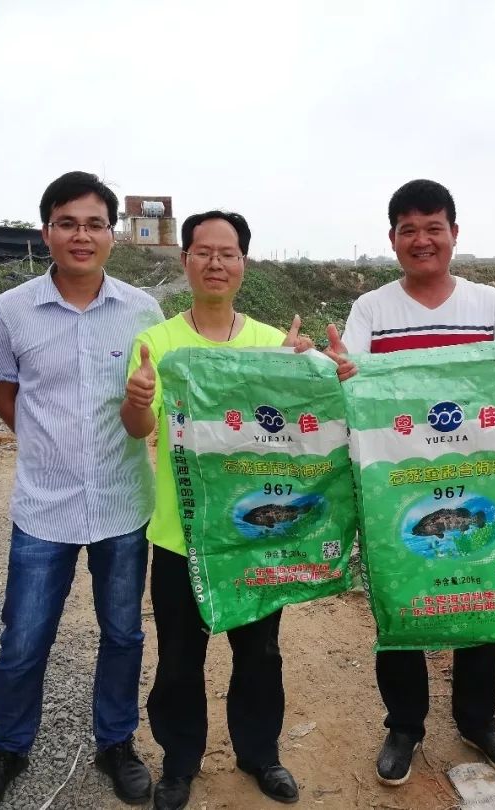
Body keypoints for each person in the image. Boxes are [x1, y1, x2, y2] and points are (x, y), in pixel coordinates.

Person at [325, 178, 495, 786]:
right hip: (397, 482)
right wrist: (336, 369)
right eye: (408, 230)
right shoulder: (372, 309)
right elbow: (347, 378)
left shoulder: (487, 304)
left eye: (433, 227)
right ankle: (404, 724)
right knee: (399, 592)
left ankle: (477, 719)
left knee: (479, 583)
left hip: (476, 475)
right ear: (392, 239)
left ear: (454, 234)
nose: (422, 240)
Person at [0, 172, 163, 810]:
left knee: (123, 633)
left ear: (113, 234)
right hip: (43, 508)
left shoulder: (143, 311)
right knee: (24, 639)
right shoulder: (11, 310)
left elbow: (155, 402)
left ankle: (116, 743)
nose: (82, 235)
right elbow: (3, 391)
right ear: (46, 231)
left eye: (95, 224)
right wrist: (46, 443)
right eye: (68, 223)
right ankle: (8, 749)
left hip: (122, 505)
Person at [121, 210, 312, 810]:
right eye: (203, 252)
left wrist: (308, 371)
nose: (215, 263)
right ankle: (180, 764)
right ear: (186, 261)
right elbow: (138, 428)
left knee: (260, 652)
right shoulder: (157, 344)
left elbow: (303, 432)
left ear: (243, 264)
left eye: (227, 253)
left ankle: (260, 754)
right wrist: (138, 399)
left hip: (258, 537)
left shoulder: (272, 342)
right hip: (182, 535)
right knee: (180, 657)